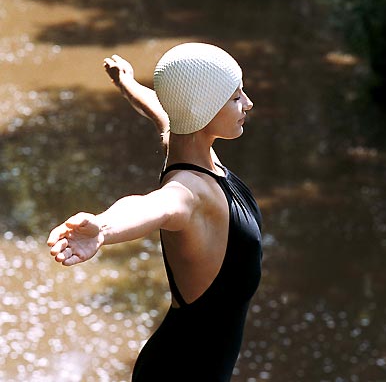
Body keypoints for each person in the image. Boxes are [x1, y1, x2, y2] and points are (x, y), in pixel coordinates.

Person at [47, 42, 262, 382]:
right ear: (202, 111)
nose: (247, 103)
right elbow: (153, 206)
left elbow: (162, 112)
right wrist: (103, 227)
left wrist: (127, 84)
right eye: (236, 98)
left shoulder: (191, 146)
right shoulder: (189, 193)